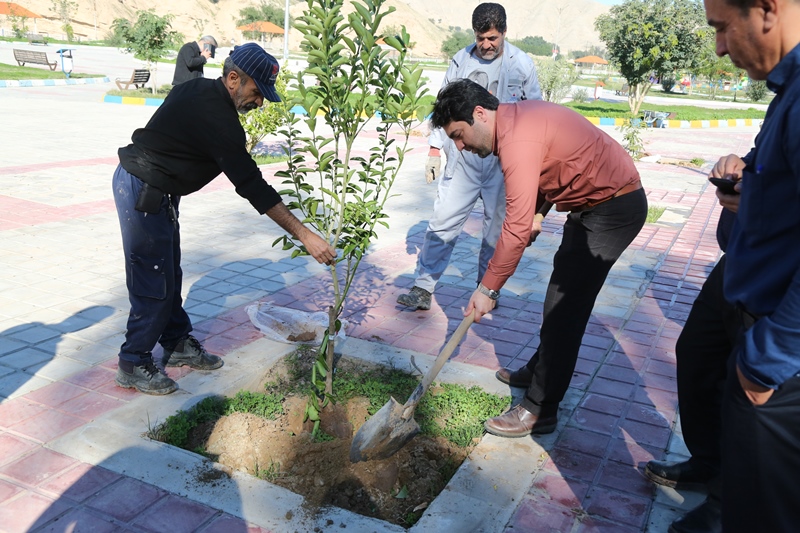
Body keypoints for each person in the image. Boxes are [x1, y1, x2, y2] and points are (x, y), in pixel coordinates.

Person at [113, 43, 336, 395]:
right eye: (257, 92)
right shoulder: (218, 119)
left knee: (169, 270)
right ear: (234, 79)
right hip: (143, 188)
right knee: (153, 277)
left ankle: (176, 342)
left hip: (156, 189)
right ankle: (133, 361)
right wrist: (304, 235)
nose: (259, 101)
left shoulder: (197, 89)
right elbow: (252, 185)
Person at [429, 78, 647, 436]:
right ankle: (539, 370)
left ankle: (540, 409)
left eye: (458, 134)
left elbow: (514, 229)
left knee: (565, 309)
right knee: (557, 303)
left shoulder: (517, 140)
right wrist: (540, 213)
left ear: (479, 114)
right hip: (592, 206)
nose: (459, 146)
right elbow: (550, 167)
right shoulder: (516, 122)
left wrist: (488, 289)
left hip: (614, 209)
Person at [701, 0, 800, 530]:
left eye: (722, 27)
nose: (719, 46)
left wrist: (766, 362)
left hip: (778, 368)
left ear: (766, 9)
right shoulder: (789, 92)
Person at [396, 2, 540, 311]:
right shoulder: (460, 60)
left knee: (496, 226)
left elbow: (535, 111)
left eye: (492, 38)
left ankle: (487, 289)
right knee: (443, 220)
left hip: (504, 159)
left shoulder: (522, 64)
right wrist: (435, 150)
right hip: (463, 158)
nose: (486, 45)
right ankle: (423, 287)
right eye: (480, 38)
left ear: (503, 32)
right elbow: (443, 108)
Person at [644, 207, 738, 533]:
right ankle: (708, 460)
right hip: (740, 256)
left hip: (783, 267)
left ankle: (727, 508)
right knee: (697, 353)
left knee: (753, 391)